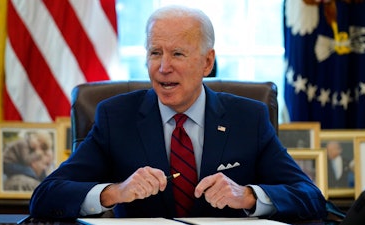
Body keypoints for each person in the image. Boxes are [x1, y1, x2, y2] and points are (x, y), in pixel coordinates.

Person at [29, 5, 326, 223]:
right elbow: (46, 196)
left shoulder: (249, 118)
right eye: (155, 52)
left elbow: (310, 197)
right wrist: (114, 192)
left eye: (178, 54)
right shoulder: (115, 117)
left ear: (207, 62)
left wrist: (248, 195)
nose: (163, 67)